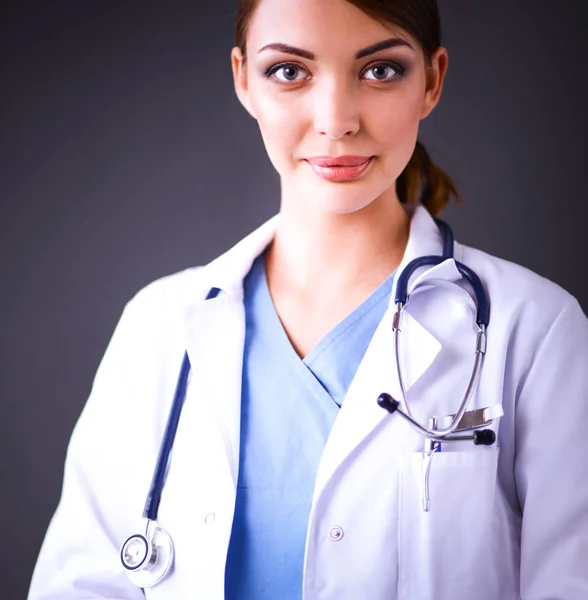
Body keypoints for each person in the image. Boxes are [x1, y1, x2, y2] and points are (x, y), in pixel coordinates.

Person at [28, 0, 588, 598]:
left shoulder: (536, 331)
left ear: (432, 81)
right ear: (244, 79)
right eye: (291, 72)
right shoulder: (160, 326)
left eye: (380, 71)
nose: (336, 120)